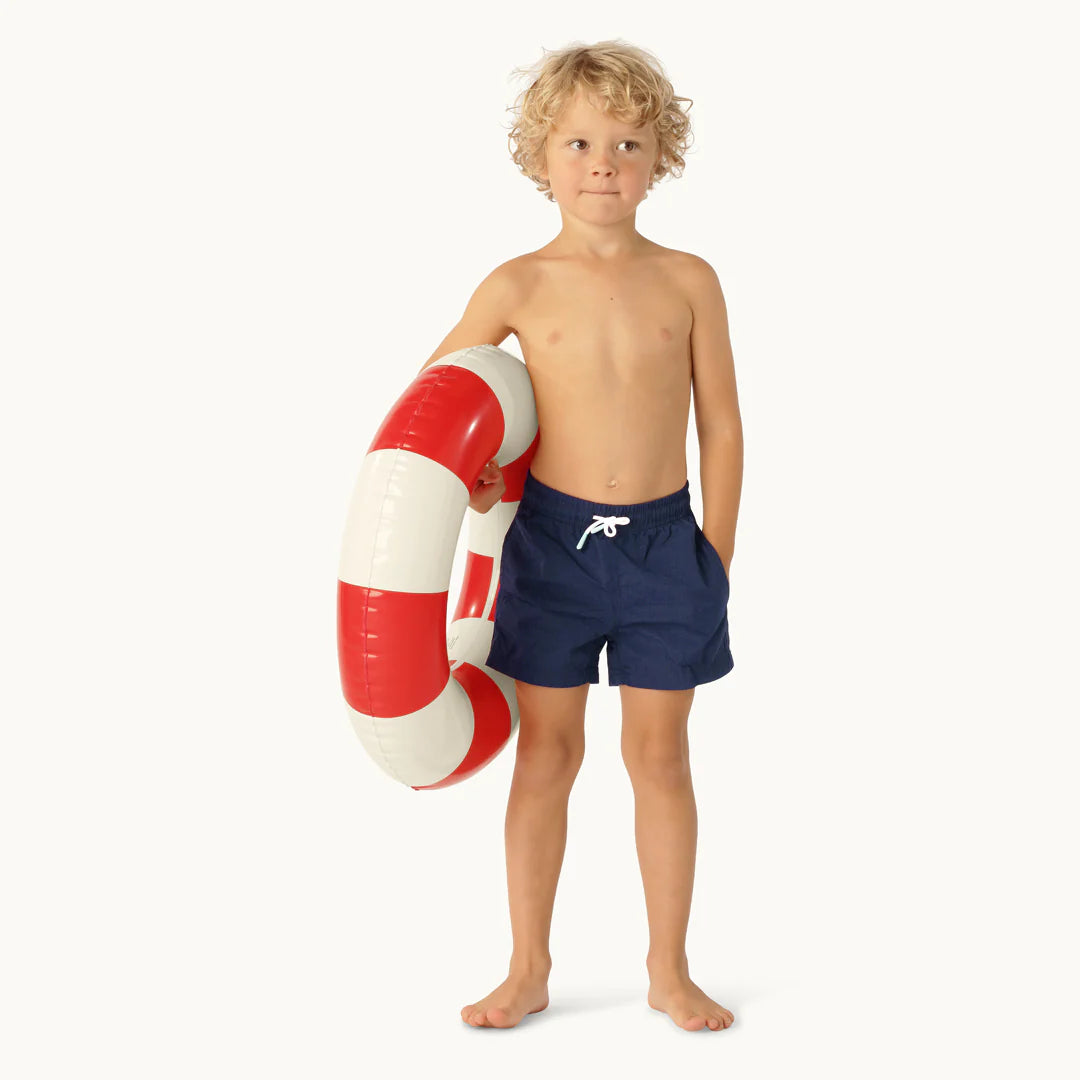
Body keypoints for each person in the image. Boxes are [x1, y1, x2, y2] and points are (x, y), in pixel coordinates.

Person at [417, 40, 742, 1032]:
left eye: (628, 144)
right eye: (581, 143)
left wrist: (715, 555)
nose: (604, 163)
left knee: (660, 758)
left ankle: (668, 970)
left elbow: (722, 426)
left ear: (660, 157)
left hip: (665, 548)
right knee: (547, 756)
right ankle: (527, 968)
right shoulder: (515, 285)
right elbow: (437, 406)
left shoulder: (688, 279)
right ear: (541, 156)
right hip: (549, 548)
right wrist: (481, 473)